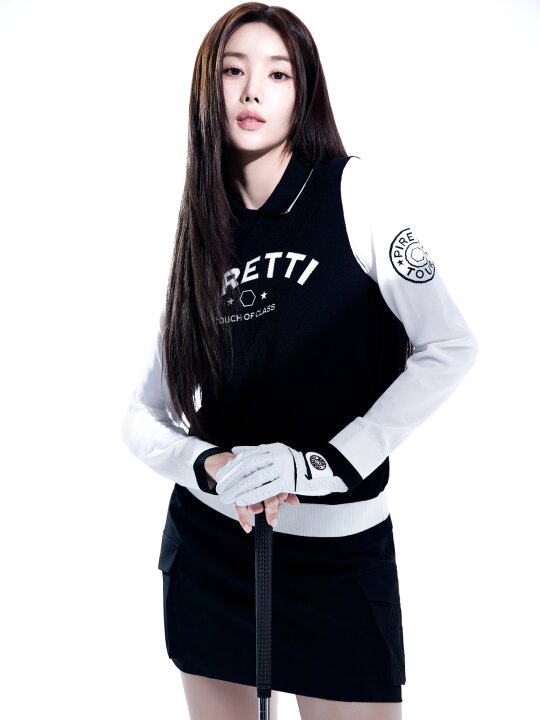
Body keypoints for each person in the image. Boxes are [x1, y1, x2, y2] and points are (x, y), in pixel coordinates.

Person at [120, 4, 479, 719]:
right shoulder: (201, 229)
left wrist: (323, 464)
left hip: (338, 559)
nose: (252, 90)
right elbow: (142, 417)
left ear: (303, 92)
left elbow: (449, 347)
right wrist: (211, 465)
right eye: (233, 70)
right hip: (212, 555)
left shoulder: (354, 191)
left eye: (277, 74)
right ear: (208, 88)